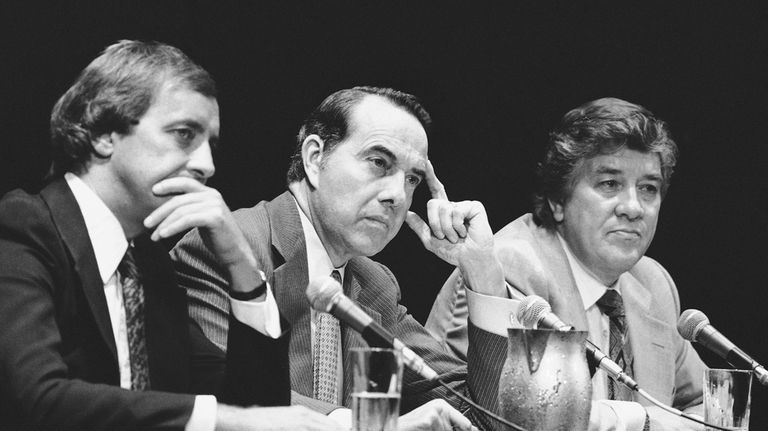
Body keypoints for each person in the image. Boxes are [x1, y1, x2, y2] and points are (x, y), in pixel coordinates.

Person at [0, 40, 343, 431]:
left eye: (210, 144)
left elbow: (253, 405)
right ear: (103, 133)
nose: (207, 166)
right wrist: (225, 419)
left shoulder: (147, 263)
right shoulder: (22, 227)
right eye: (183, 135)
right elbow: (36, 398)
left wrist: (239, 261)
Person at [172, 86, 508, 430]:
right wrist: (364, 424)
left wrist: (482, 271)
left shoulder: (373, 283)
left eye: (411, 179)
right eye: (379, 162)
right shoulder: (229, 247)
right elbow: (219, 396)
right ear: (315, 158)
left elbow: (478, 418)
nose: (397, 195)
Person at [426, 97, 706, 430]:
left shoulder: (652, 281)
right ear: (558, 201)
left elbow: (706, 404)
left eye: (648, 188)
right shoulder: (509, 267)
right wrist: (641, 421)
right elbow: (512, 418)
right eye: (609, 184)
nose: (634, 207)